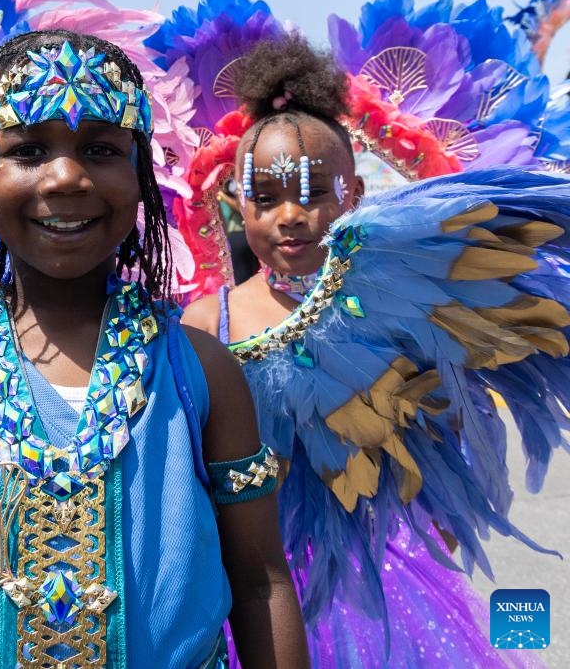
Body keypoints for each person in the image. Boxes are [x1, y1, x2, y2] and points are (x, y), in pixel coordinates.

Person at [0, 29, 310, 669]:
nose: (68, 175)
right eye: (29, 151)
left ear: (140, 180)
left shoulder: (200, 369)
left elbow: (261, 578)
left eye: (101, 148)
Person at [183, 34, 558, 668]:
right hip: (250, 575)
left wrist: (436, 516)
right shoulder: (205, 320)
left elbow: (447, 414)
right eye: (266, 198)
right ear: (238, 204)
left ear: (351, 196)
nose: (289, 217)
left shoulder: (384, 298)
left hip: (380, 572)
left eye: (312, 194)